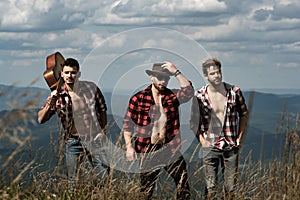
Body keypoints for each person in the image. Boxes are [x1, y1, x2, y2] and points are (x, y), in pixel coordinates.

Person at [122, 62, 193, 199]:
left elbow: (189, 91)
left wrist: (176, 72)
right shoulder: (139, 98)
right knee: (146, 189)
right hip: (147, 149)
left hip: (170, 148)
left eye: (166, 78)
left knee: (183, 184)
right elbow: (128, 124)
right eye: (159, 77)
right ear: (151, 77)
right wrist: (129, 147)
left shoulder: (172, 96)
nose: (163, 81)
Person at [37, 57, 110, 187]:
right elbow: (41, 119)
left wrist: (102, 131)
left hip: (94, 139)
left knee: (104, 176)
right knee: (73, 181)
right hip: (73, 141)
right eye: (67, 73)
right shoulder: (57, 95)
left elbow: (103, 109)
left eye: (73, 72)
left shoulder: (90, 88)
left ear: (79, 74)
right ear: (61, 74)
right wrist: (50, 104)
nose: (70, 76)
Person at [190, 58, 248, 199]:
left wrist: (239, 138)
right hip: (210, 146)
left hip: (231, 145)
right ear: (206, 76)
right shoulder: (199, 96)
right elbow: (193, 122)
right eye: (212, 74)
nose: (217, 76)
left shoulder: (234, 92)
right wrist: (203, 141)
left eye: (218, 72)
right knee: (211, 189)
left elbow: (244, 115)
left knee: (231, 188)